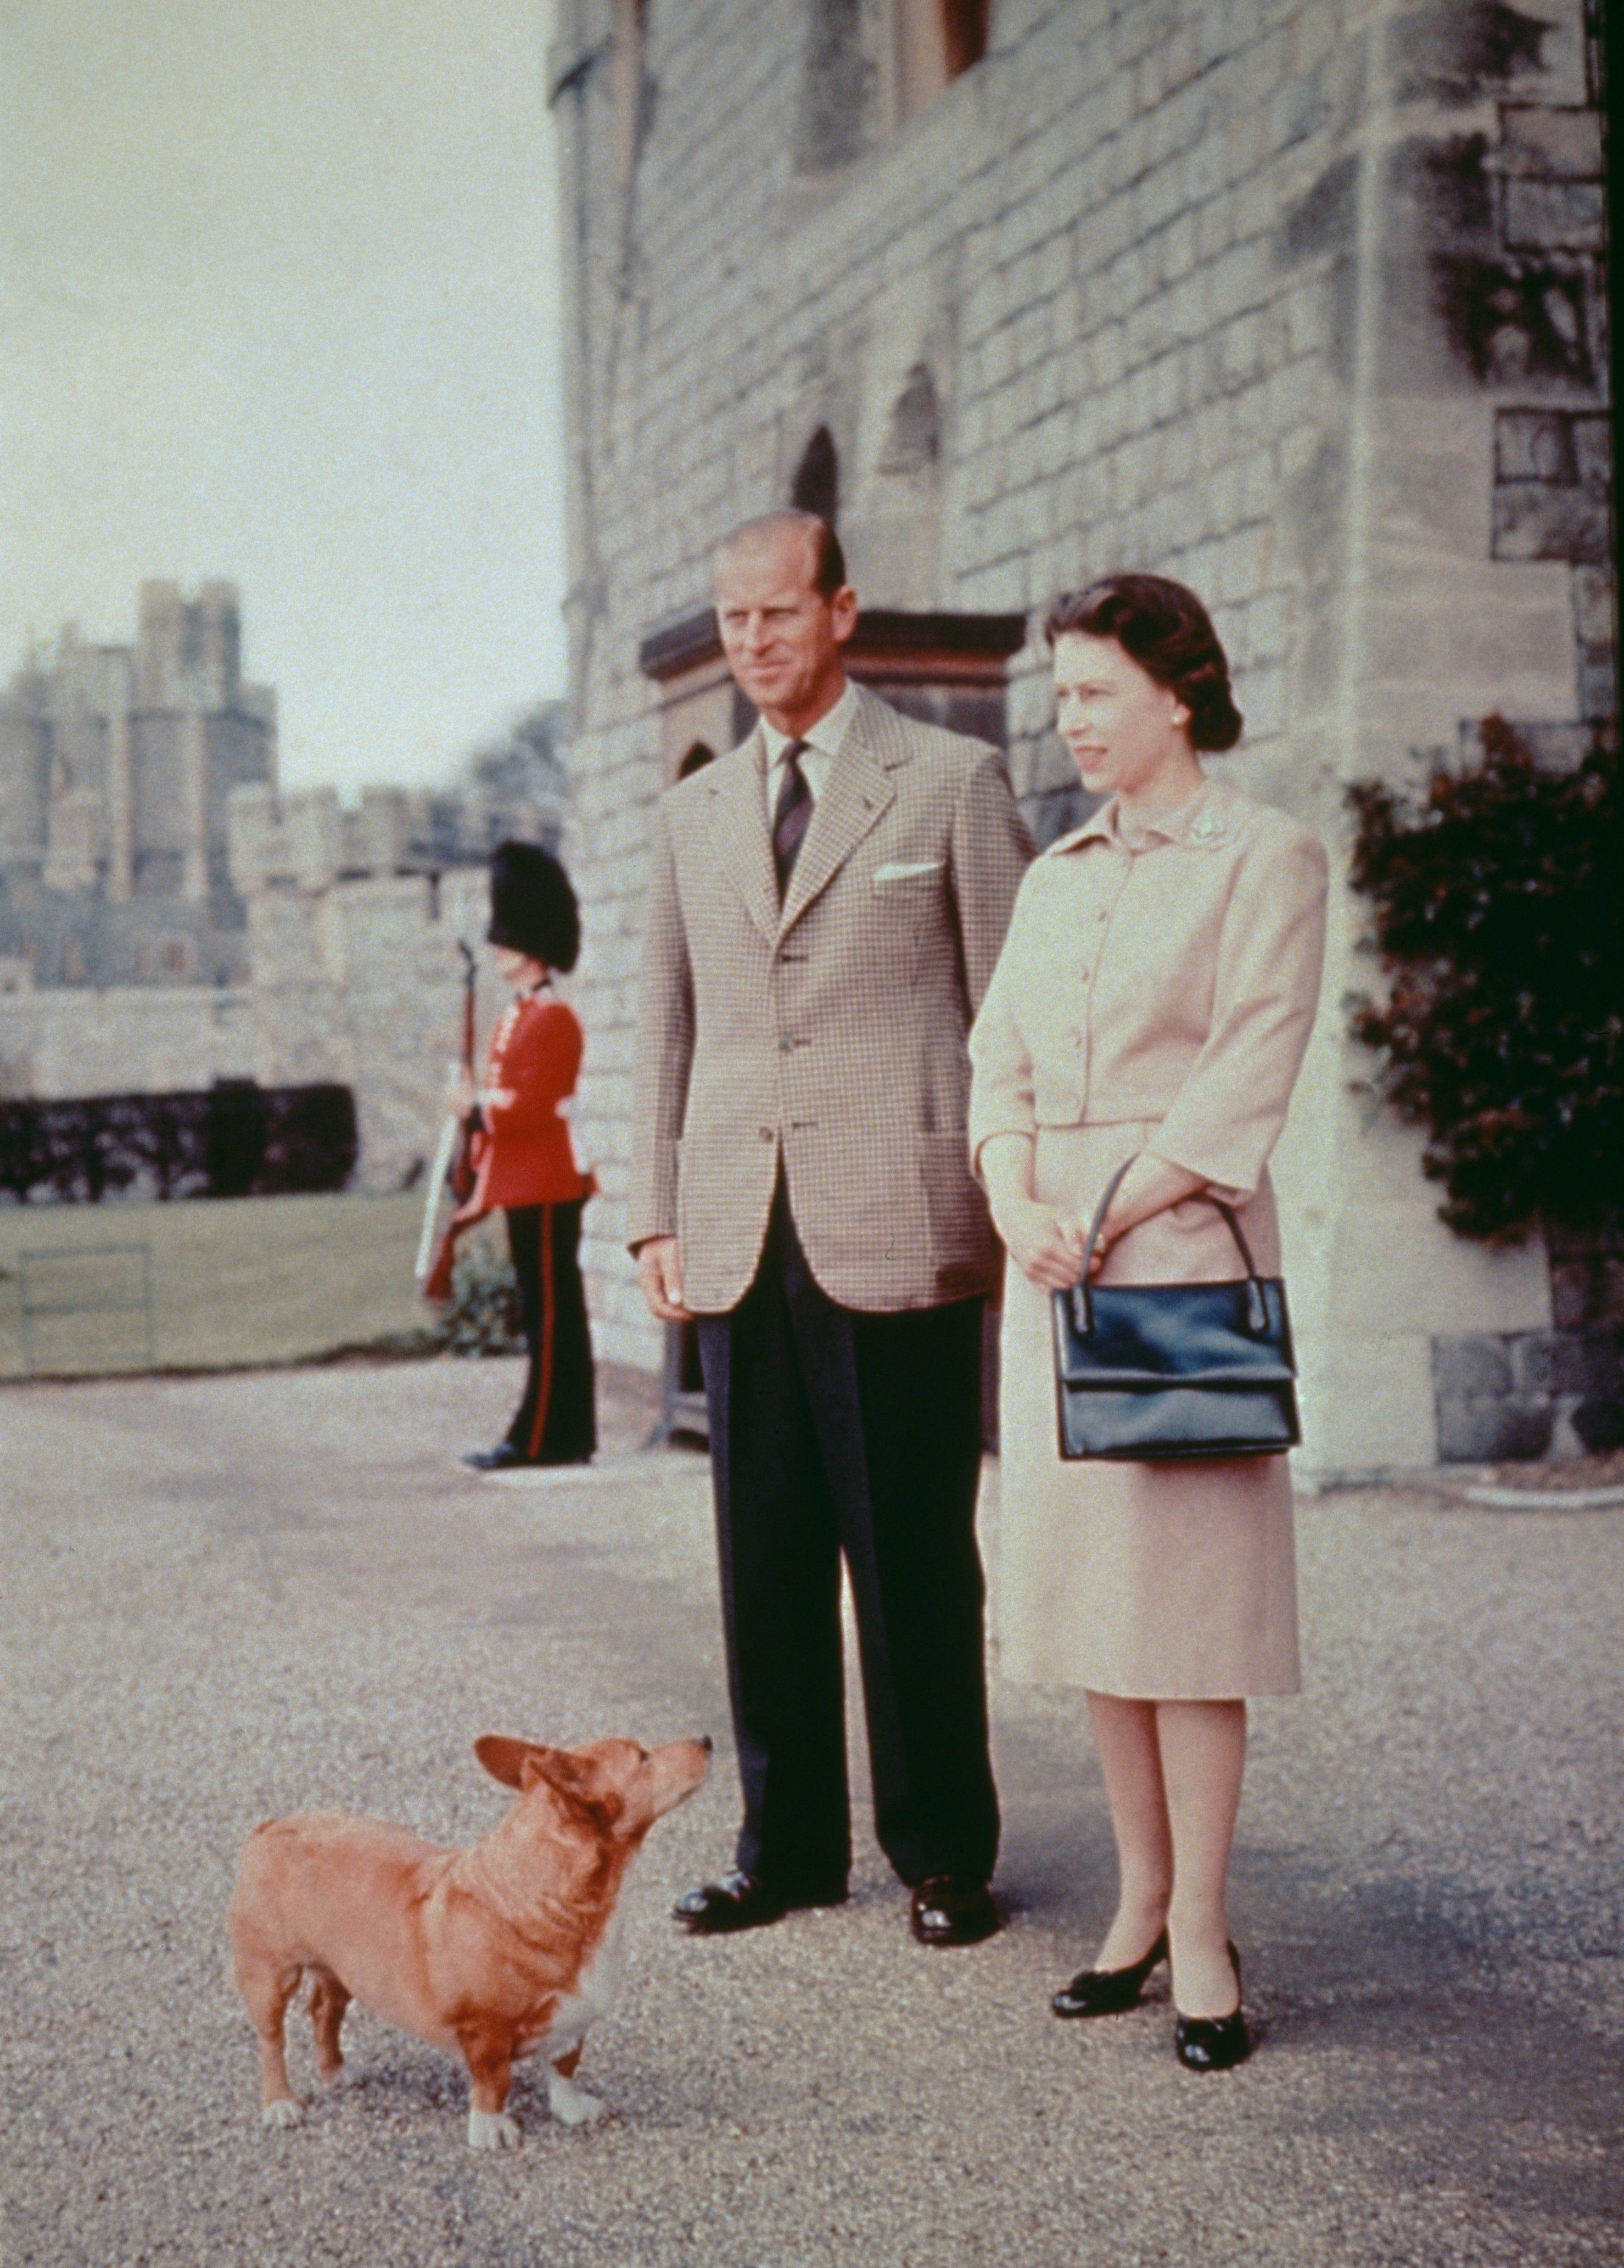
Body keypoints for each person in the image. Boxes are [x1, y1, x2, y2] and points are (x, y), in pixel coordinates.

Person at [630, 508, 1033, 1945]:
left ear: (841, 610)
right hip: (740, 1221)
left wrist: (1017, 1195)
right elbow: (664, 1026)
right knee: (764, 1549)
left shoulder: (951, 782)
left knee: (916, 1546)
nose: (753, 642)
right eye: (733, 619)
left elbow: (1012, 1014)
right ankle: (785, 1843)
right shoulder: (690, 813)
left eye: (779, 615)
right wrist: (652, 1218)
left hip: (899, 1218)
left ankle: (941, 1849)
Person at [967, 573, 1327, 2068]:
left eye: (1093, 694)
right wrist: (1008, 1203)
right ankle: (1133, 1899)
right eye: (1058, 700)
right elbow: (992, 1068)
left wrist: (1100, 1212)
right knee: (1093, 1614)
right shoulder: (1052, 877)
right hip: (1047, 1275)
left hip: (1171, 1263)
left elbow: (1242, 1074)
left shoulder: (1267, 860)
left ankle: (1200, 1934)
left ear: (1174, 695)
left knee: (1186, 1625)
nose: (1071, 726)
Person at [457, 840, 597, 1473]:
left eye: (507, 937)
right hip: (521, 1178)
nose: (497, 948)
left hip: (546, 1179)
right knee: (545, 1308)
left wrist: (474, 1110)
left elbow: (532, 1105)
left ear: (531, 943)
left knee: (550, 1313)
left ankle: (542, 1435)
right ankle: (563, 1432)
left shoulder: (554, 1017)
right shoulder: (517, 1015)